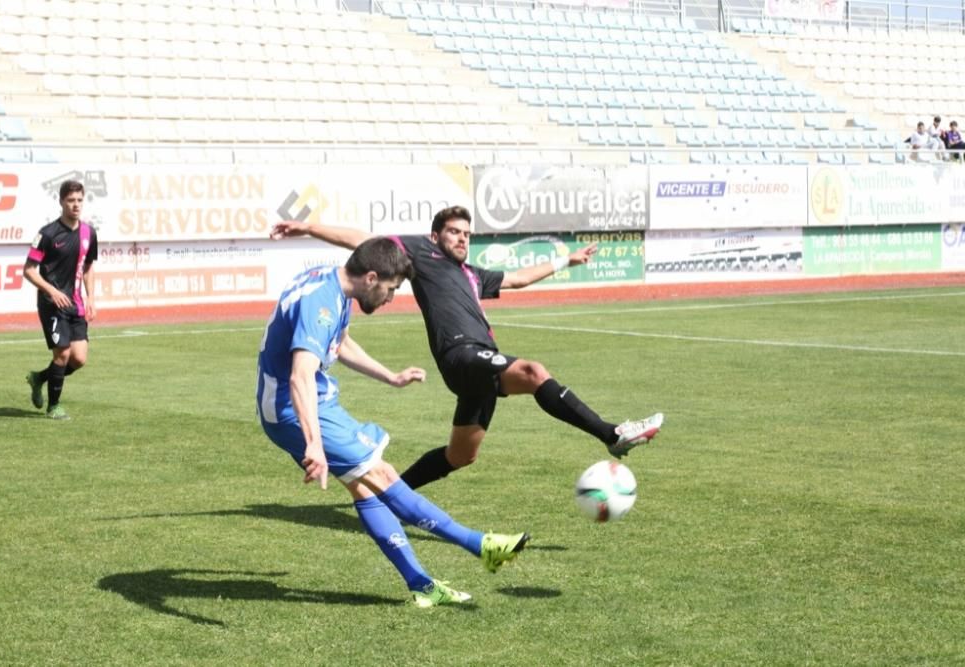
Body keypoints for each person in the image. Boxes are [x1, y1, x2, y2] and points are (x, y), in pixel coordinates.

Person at [270, 206, 664, 491]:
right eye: (455, 231)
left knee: (461, 456)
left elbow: (521, 278)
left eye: (467, 234)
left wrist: (567, 259)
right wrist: (307, 227)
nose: (462, 238)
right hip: (460, 355)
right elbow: (363, 242)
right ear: (436, 235)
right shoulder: (421, 255)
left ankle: (392, 496)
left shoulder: (473, 274)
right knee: (533, 372)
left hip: (478, 365)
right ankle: (611, 433)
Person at [257, 236, 529, 608]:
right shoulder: (321, 302)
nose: (390, 298)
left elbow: (341, 342)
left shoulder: (332, 283)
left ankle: (422, 585)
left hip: (309, 401)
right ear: (371, 277)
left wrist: (390, 376)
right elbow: (300, 375)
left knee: (364, 489)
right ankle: (481, 545)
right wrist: (313, 444)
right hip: (295, 405)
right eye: (391, 288)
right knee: (382, 476)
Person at [23, 180, 98, 420]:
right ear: (61, 202)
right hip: (51, 303)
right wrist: (52, 291)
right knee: (62, 354)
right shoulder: (47, 234)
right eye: (70, 200)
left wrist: (91, 298)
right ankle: (54, 407)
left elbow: (87, 268)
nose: (76, 205)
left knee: (79, 359)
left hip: (75, 304)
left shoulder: (89, 233)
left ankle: (39, 379)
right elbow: (29, 270)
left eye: (79, 200)